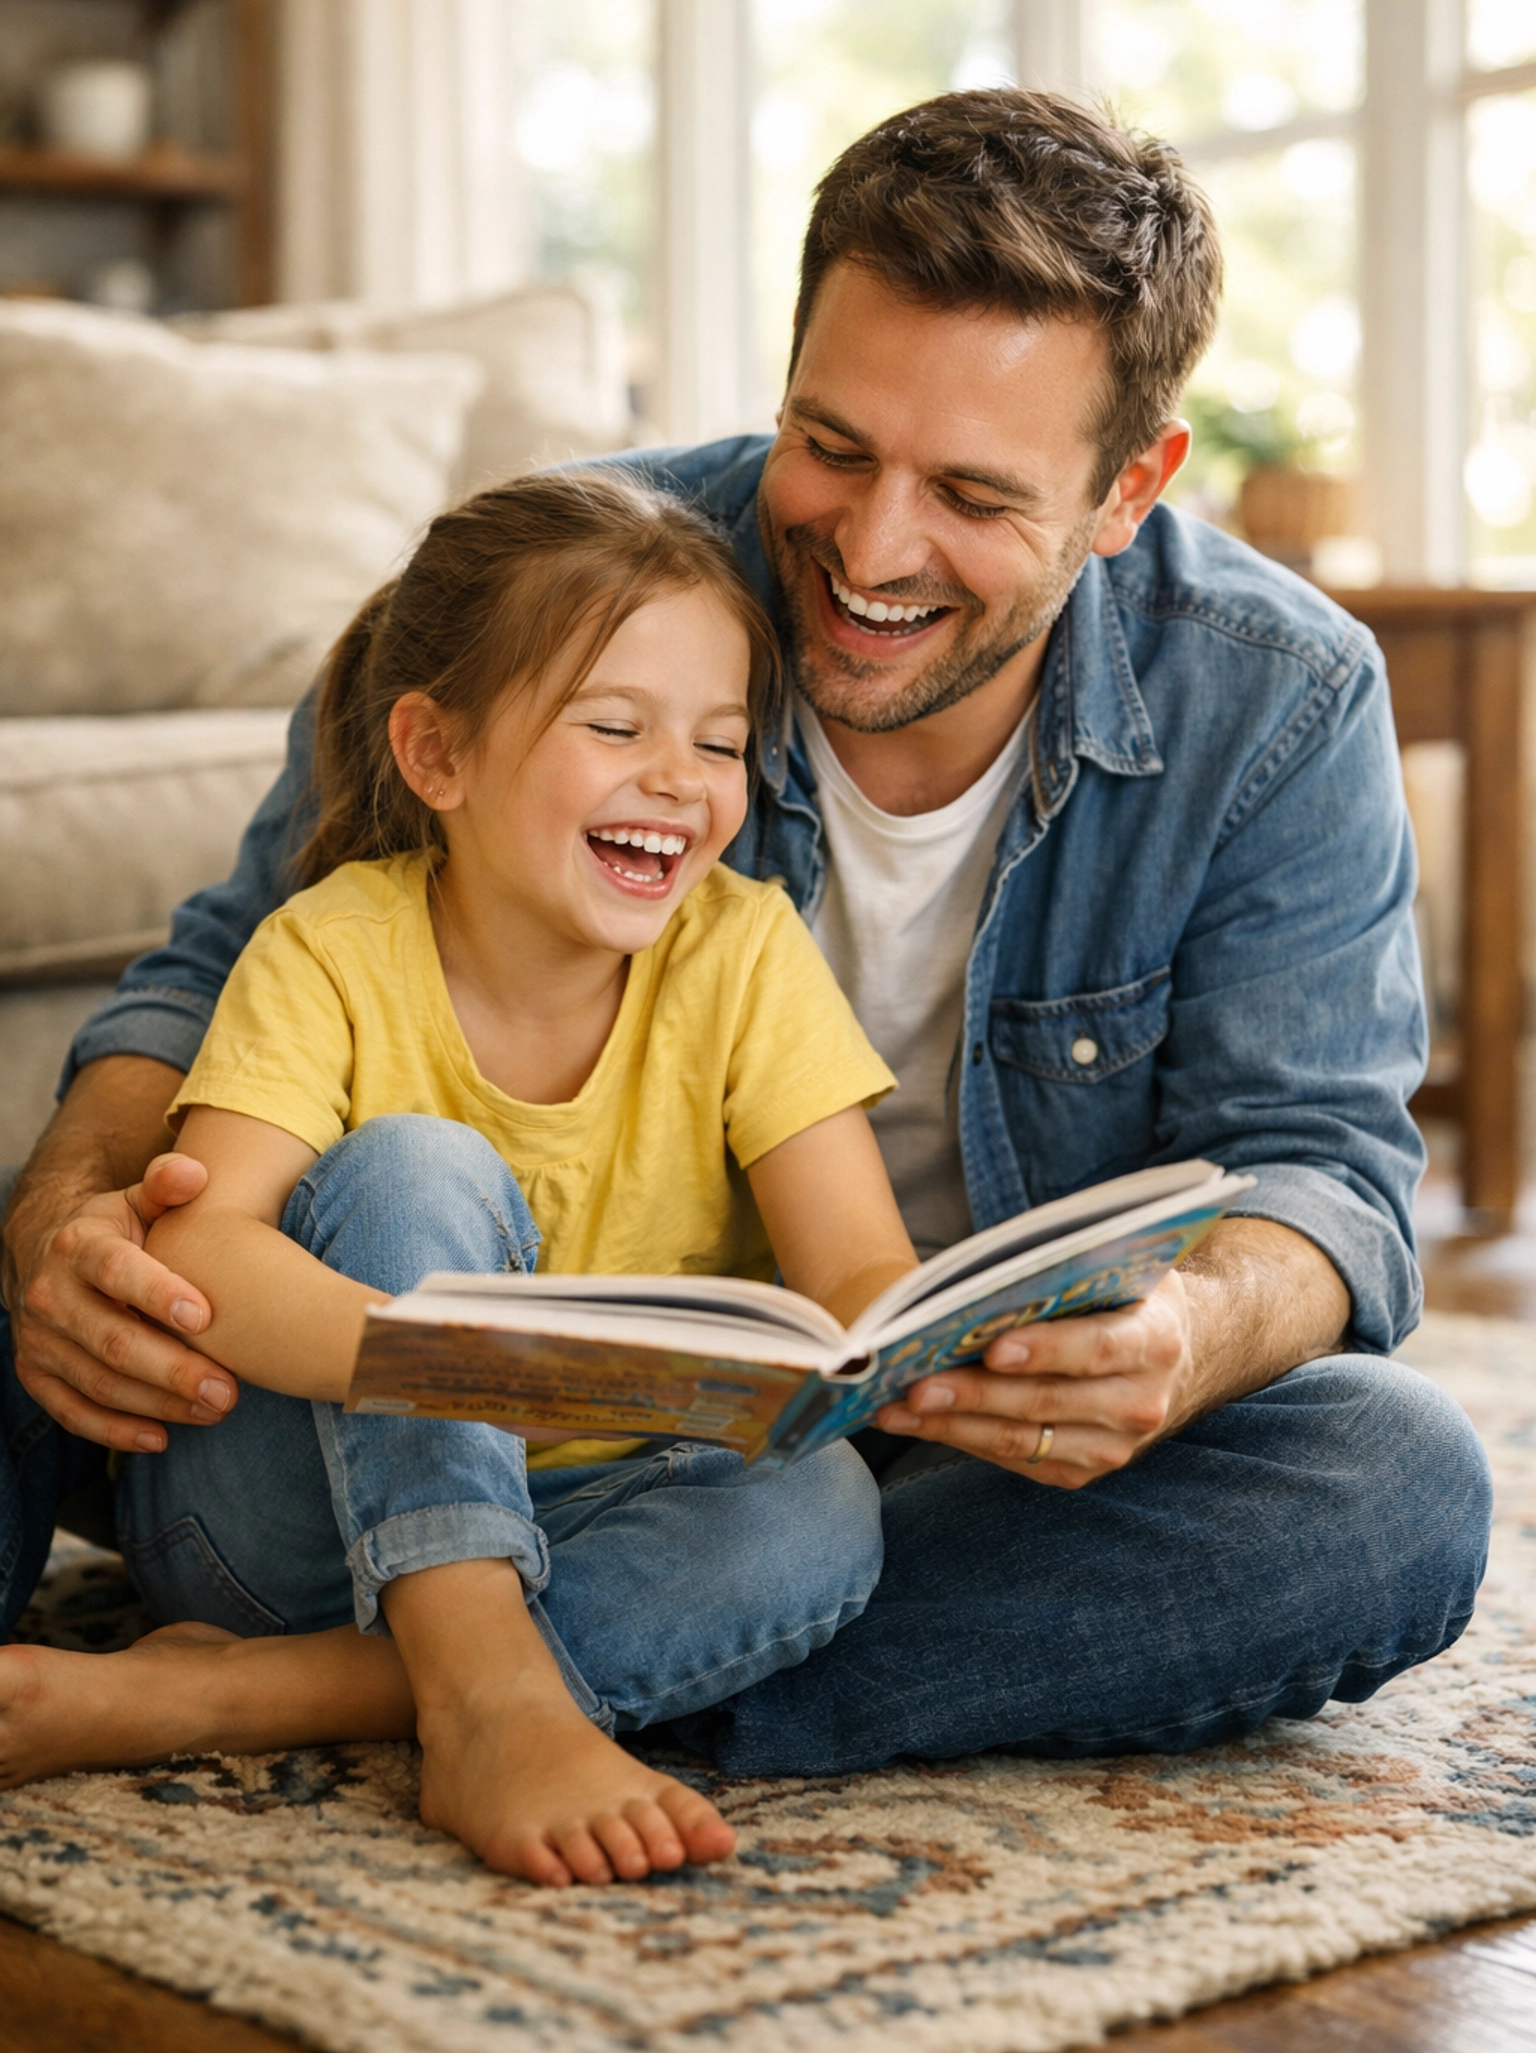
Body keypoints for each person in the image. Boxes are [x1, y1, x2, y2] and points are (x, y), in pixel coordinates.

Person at [1, 87, 1492, 1776]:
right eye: (832, 447)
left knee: (1388, 1482)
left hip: (840, 1457)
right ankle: (565, 1668)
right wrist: (66, 1220)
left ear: (1128, 485)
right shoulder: (560, 595)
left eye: (973, 494)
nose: (871, 548)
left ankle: (369, 1687)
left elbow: (1322, 1169)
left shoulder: (1276, 700)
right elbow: (224, 972)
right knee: (207, 1202)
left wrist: (1185, 1340)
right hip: (372, 1416)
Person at [1, 468, 920, 1882]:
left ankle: (234, 1697)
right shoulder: (332, 947)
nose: (679, 778)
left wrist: (945, 1346)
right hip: (282, 1525)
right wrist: (485, 1371)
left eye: (722, 743)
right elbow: (199, 1245)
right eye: (615, 726)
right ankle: (488, 1691)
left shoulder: (744, 953)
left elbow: (857, 1269)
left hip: (576, 1524)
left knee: (825, 1515)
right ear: (438, 754)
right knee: (414, 1166)